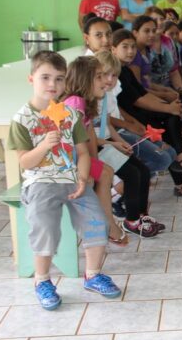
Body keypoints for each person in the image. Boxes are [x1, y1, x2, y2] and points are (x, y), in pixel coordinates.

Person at [8, 51, 121, 310]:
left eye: (59, 79)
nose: (52, 85)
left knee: (95, 222)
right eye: (45, 77)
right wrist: (44, 145)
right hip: (40, 182)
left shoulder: (70, 115)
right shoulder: (22, 119)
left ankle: (92, 275)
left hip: (73, 180)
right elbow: (24, 162)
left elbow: (82, 152)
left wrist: (83, 178)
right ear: (31, 79)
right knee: (45, 227)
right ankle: (42, 280)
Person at [63, 56, 163, 239]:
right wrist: (95, 163)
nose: (106, 81)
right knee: (121, 173)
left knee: (140, 170)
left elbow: (90, 135)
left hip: (89, 153)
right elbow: (76, 141)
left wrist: (107, 150)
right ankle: (122, 222)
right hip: (71, 160)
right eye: (100, 77)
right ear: (85, 79)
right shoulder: (76, 103)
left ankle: (135, 217)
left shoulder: (86, 101)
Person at [111, 29, 182, 198]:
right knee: (166, 128)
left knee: (172, 117)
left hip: (137, 112)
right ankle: (180, 168)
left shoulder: (125, 69)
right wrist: (168, 107)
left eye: (132, 47)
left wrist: (169, 105)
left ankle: (180, 160)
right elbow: (137, 100)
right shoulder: (116, 71)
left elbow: (142, 92)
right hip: (129, 119)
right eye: (125, 47)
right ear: (113, 49)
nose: (130, 51)